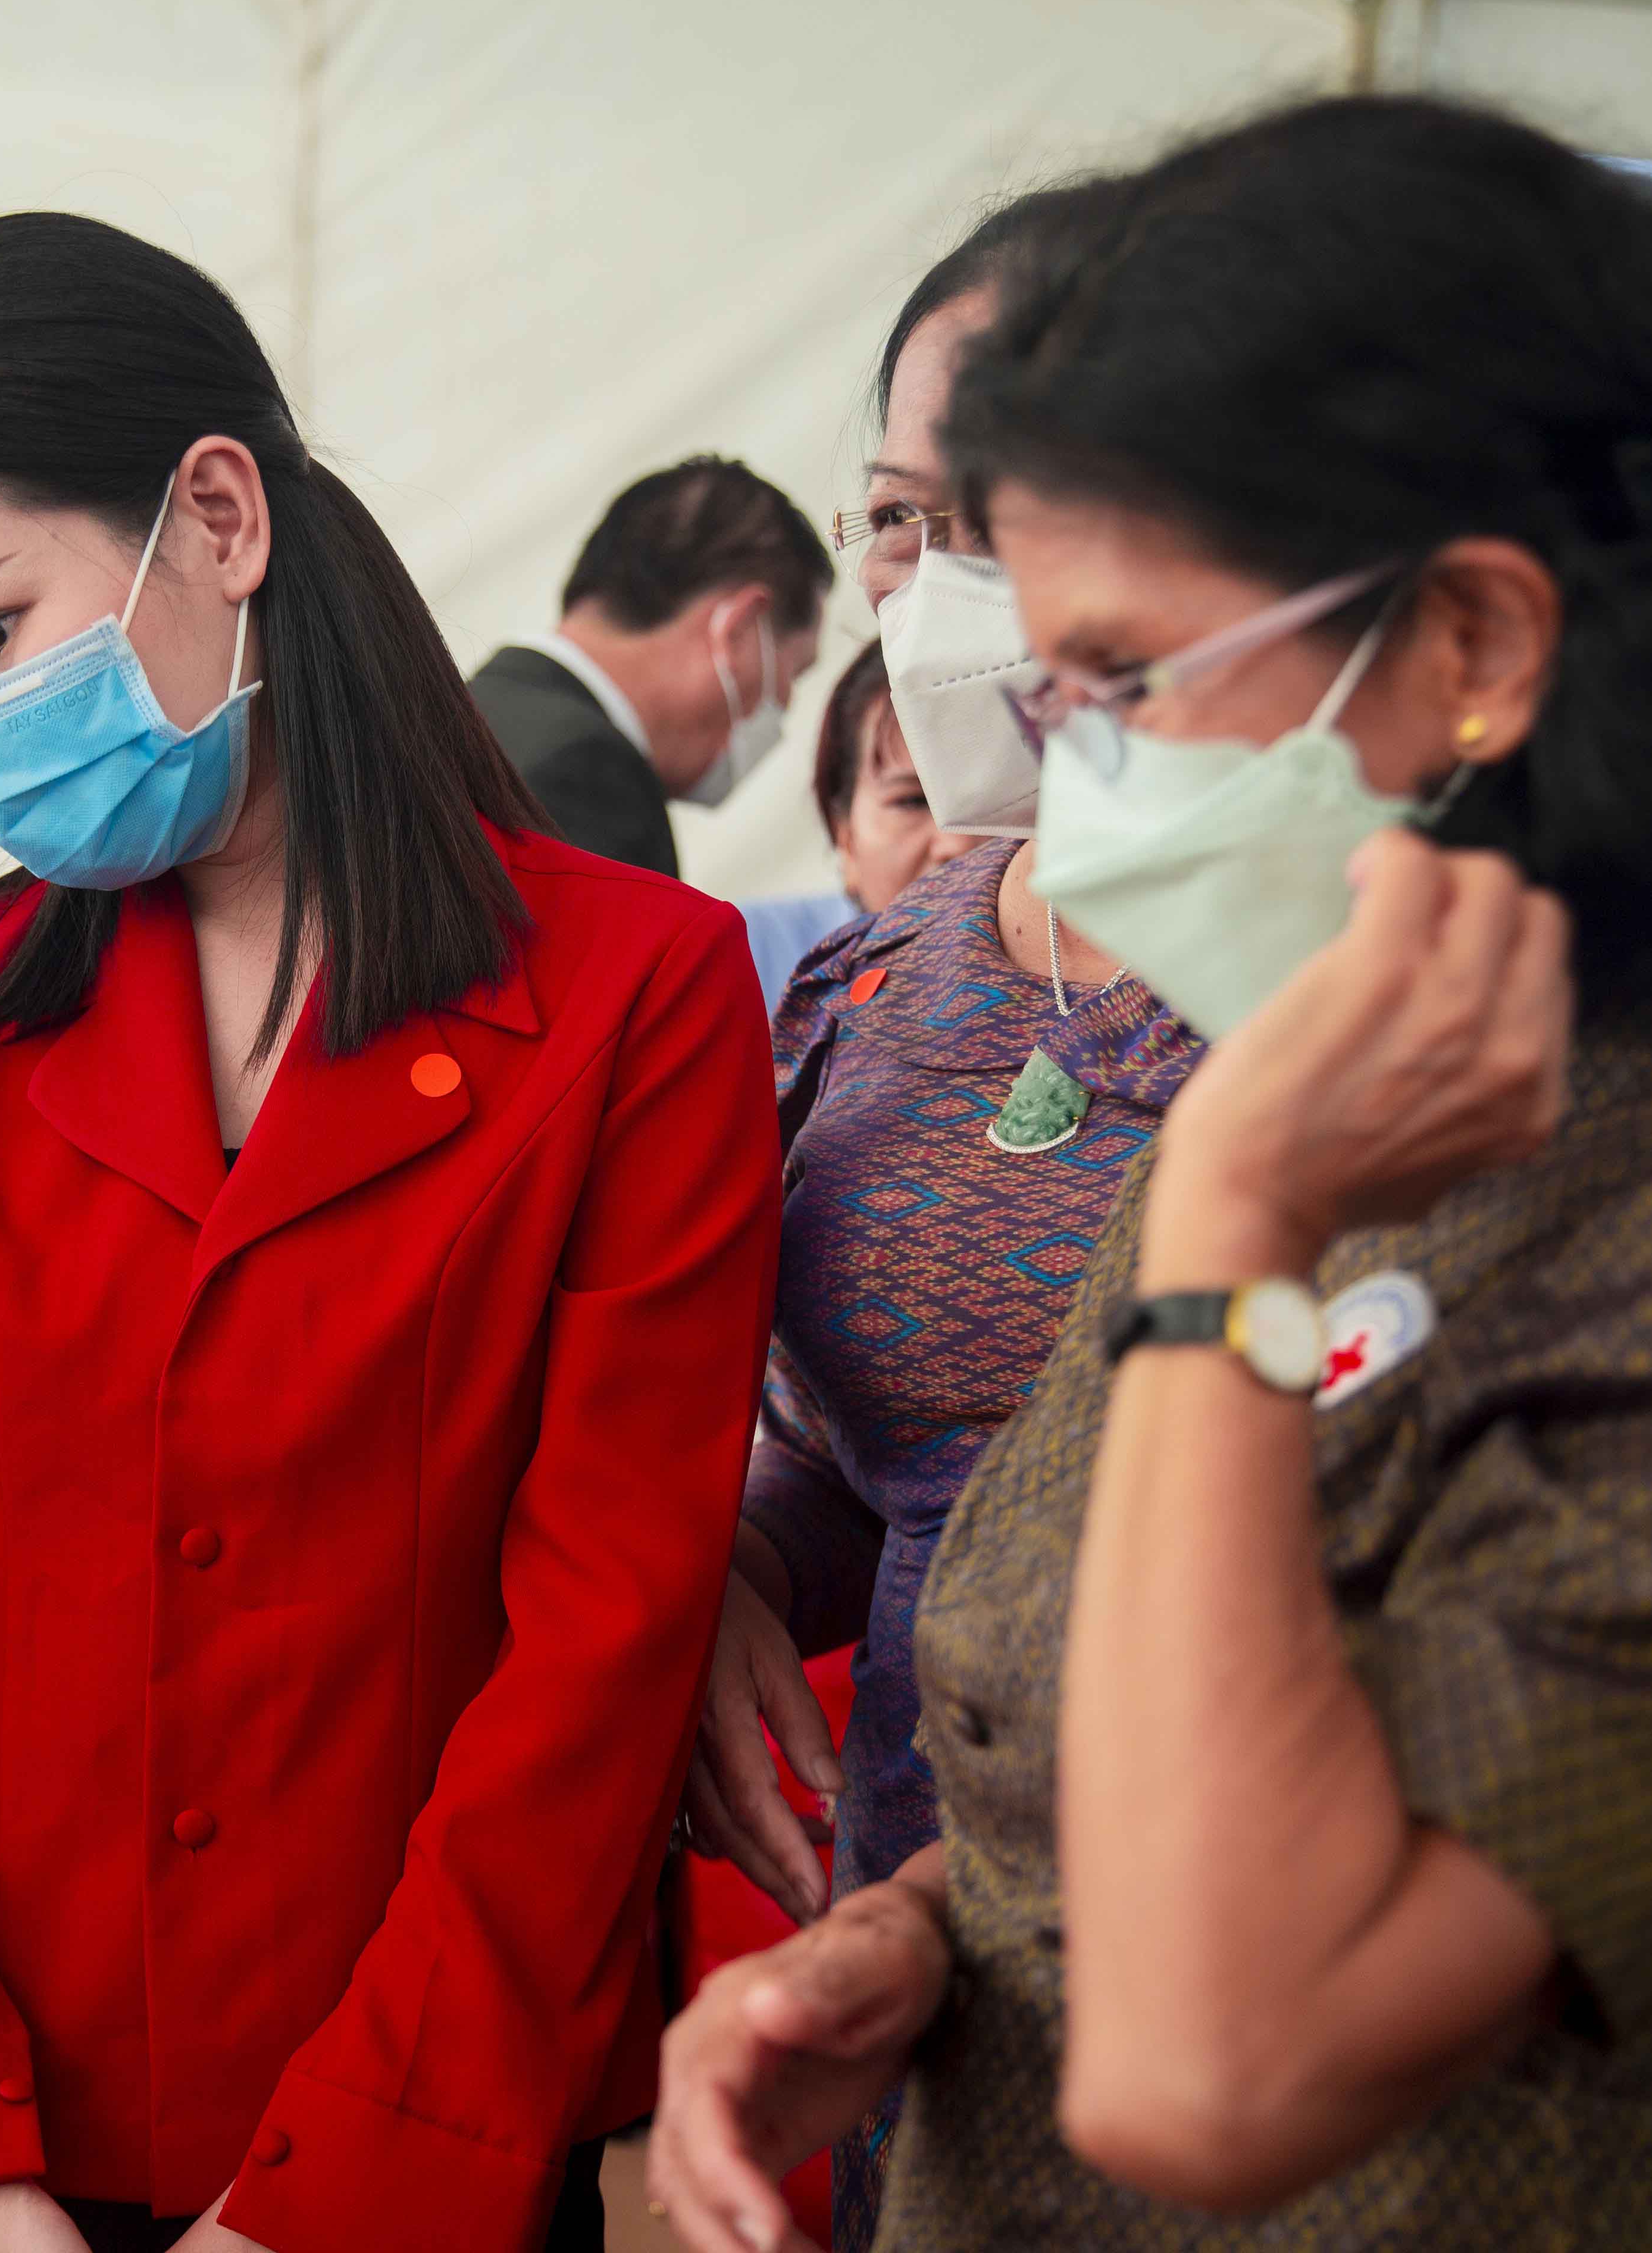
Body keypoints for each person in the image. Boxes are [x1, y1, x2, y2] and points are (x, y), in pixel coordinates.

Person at [652, 96, 1652, 2253]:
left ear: (1474, 646)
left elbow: (1226, 2067)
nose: (1059, 760)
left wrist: (1226, 1244)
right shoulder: (1303, 1091)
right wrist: (914, 1936)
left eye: (1121, 678)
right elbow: (1131, 1731)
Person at [0, 214, 778, 2253]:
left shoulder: (636, 998)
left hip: (430, 2148)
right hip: (13, 2151)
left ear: (217, 518)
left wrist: (346, 2186)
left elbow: (602, 1644)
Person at [673, 188, 1205, 2253]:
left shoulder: (1527, 975)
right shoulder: (884, 978)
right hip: (936, 2030)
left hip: (1367, 2065)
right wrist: (735, 1560)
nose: (954, 588)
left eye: (1025, 512)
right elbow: (871, 1447)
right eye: (907, 520)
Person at [467, 456, 830, 877]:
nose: (785, 705)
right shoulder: (590, 779)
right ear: (740, 633)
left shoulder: (473, 711)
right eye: (795, 673)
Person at [734, 640, 988, 1004]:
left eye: (993, 804)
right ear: (845, 836)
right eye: (912, 801)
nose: (958, 844)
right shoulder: (743, 959)